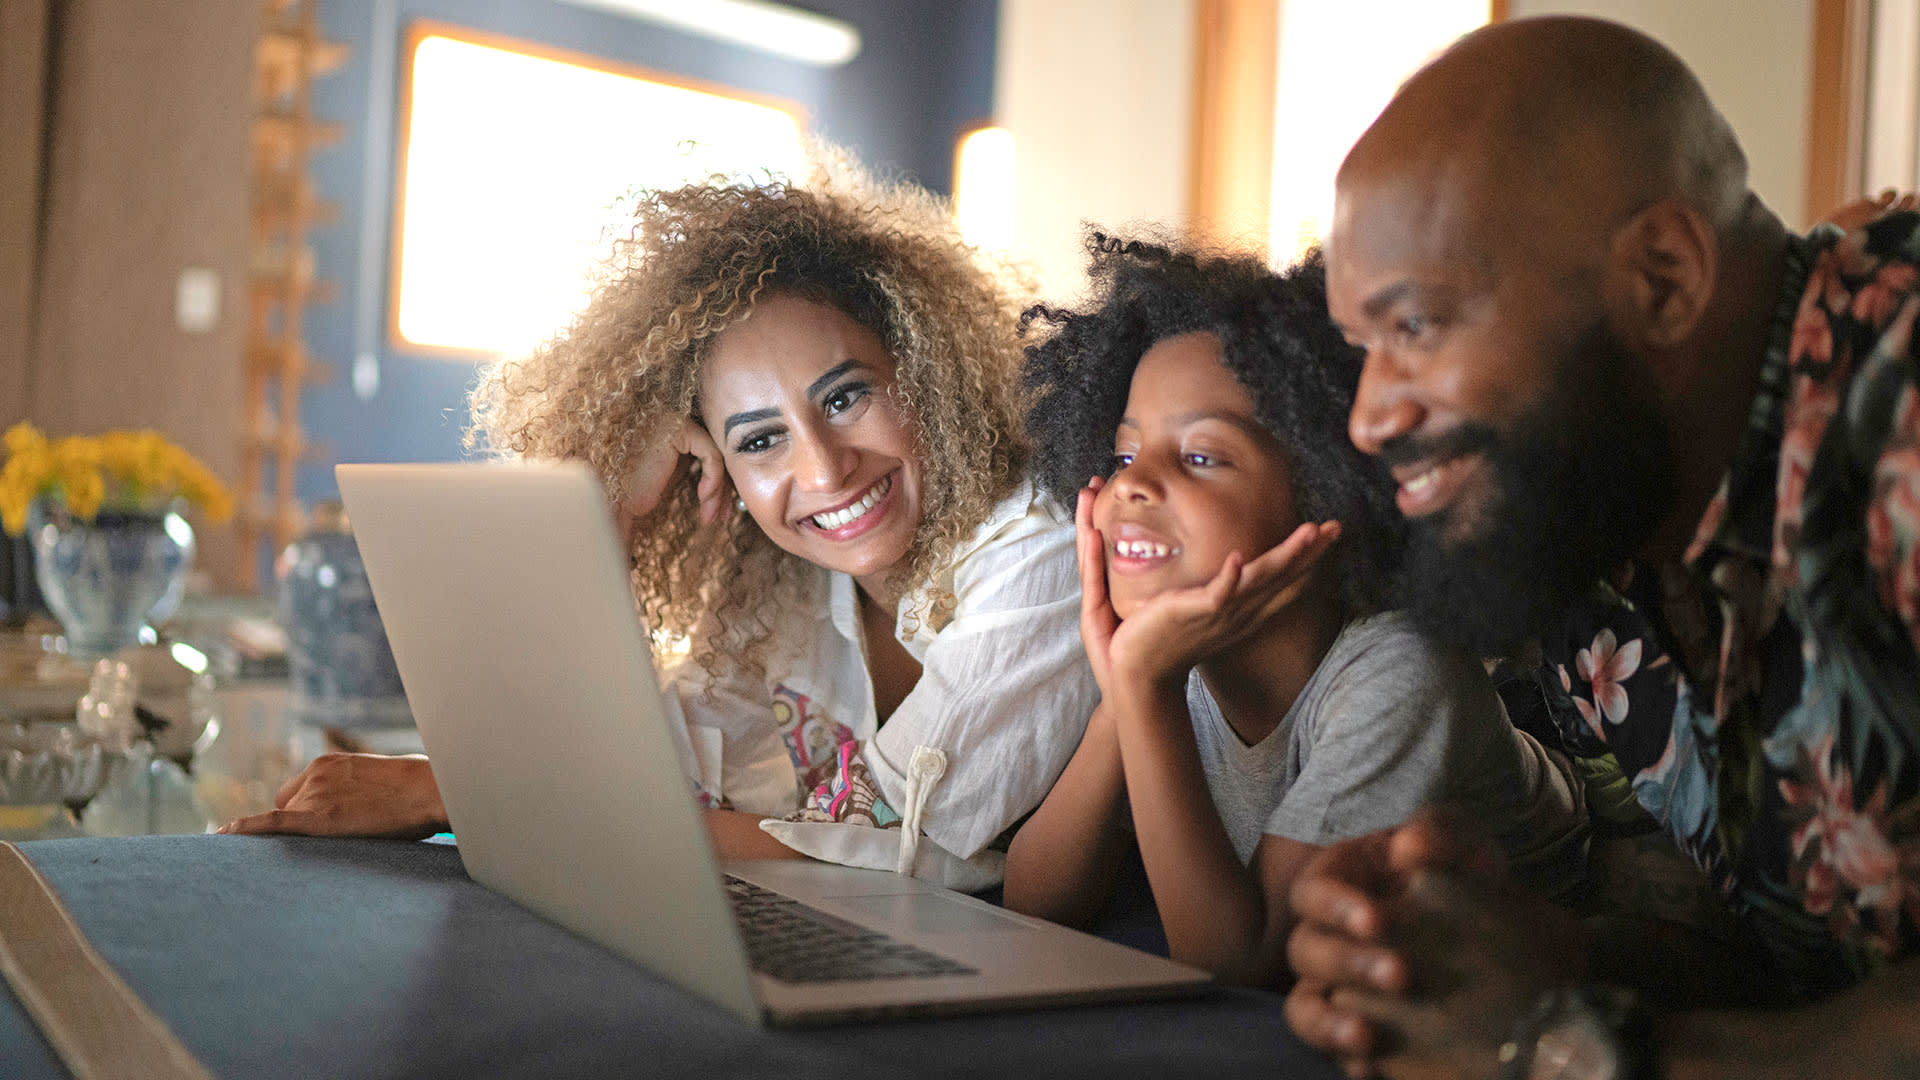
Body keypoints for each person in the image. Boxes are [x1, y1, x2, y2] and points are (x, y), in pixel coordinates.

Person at [1283, 15, 1920, 1080]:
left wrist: (1595, 1051)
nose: (1368, 415)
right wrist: (1518, 960)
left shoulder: (1898, 400)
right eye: (1361, 346)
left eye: (1419, 327)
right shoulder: (1592, 509)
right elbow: (1773, 959)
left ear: (1663, 278)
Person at [223, 163, 1098, 889]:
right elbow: (648, 771)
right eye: (759, 439)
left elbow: (913, 846)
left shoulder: (1040, 540)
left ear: (926, 374)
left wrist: (465, 796)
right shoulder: (785, 576)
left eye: (846, 396)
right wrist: (617, 513)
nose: (823, 470)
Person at [1002, 235, 1586, 983]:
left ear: (1326, 490)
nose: (1132, 486)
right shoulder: (1176, 650)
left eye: (1201, 457)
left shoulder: (1400, 674)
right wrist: (1125, 692)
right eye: (1122, 455)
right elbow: (1034, 906)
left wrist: (1142, 686)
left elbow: (1240, 964)